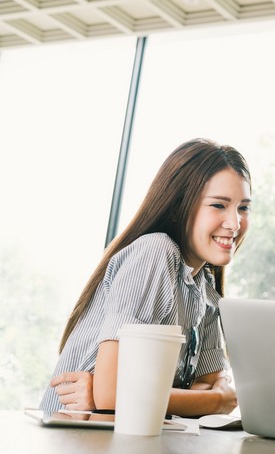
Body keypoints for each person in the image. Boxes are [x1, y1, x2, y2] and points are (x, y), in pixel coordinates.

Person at [39, 138, 251, 417]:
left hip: (129, 444)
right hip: (75, 445)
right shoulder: (155, 252)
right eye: (218, 205)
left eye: (243, 208)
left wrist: (136, 394)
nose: (235, 223)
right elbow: (112, 395)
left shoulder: (204, 286)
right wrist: (215, 400)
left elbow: (212, 384)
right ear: (179, 208)